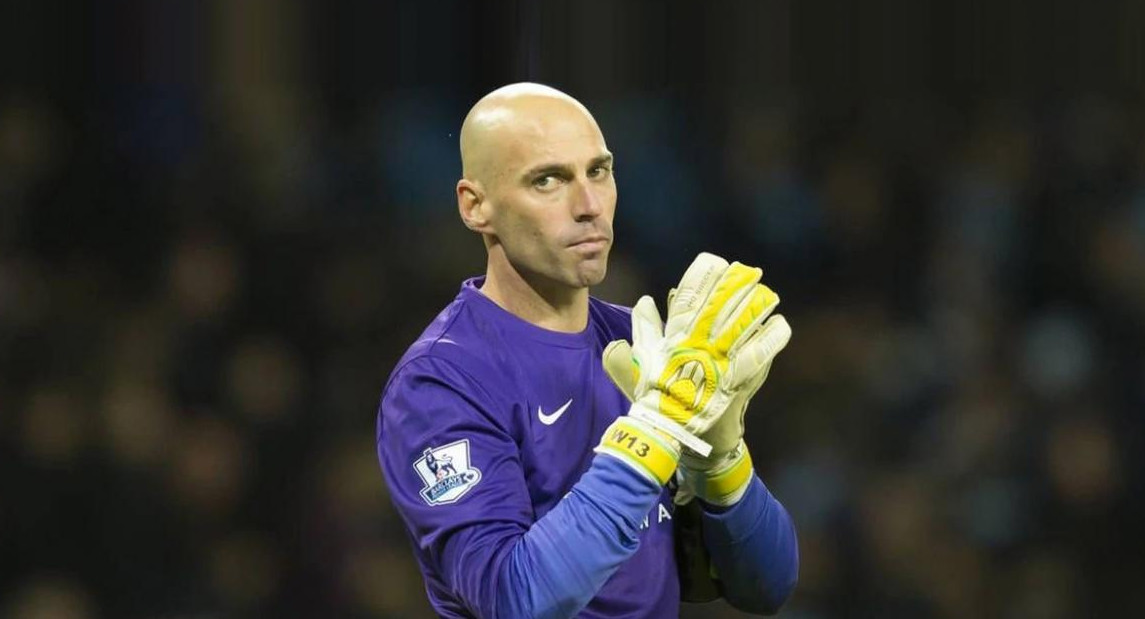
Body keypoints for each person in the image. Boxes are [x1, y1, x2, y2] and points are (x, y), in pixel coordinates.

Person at [376, 82, 798, 618]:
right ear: (475, 205)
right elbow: (515, 600)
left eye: (598, 171)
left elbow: (769, 585)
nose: (589, 206)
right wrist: (652, 434)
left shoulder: (645, 347)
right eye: (548, 180)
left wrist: (722, 462)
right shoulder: (439, 382)